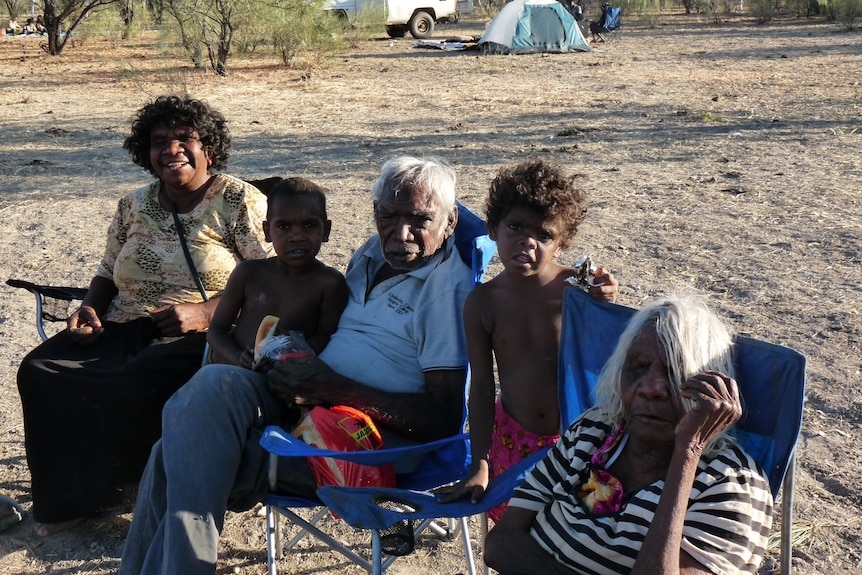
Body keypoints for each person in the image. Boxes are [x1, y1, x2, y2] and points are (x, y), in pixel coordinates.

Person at [119, 156, 474, 575]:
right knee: (213, 384)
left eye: (419, 219)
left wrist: (330, 387)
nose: (399, 234)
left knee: (174, 453)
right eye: (387, 215)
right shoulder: (373, 254)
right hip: (305, 402)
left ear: (449, 222)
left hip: (359, 446)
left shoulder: (447, 291)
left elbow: (444, 419)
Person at [16, 95, 274, 537]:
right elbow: (105, 271)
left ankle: (143, 493)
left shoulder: (237, 199)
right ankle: (75, 498)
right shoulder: (132, 203)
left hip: (204, 330)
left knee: (142, 376)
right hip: (124, 322)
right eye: (159, 141)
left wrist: (207, 312)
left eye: (185, 139)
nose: (172, 150)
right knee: (40, 369)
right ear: (145, 152)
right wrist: (89, 309)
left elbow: (270, 279)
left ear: (209, 148)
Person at [484, 295, 774, 575]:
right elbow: (500, 544)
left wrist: (688, 450)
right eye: (638, 366)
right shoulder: (595, 429)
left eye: (676, 372)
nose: (651, 387)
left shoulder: (730, 485)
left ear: (712, 387)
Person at [440, 159, 617, 522]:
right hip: (511, 440)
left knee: (574, 529)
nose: (527, 241)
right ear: (493, 228)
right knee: (516, 532)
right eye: (515, 226)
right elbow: (481, 388)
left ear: (562, 242)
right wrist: (480, 462)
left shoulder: (577, 292)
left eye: (545, 235)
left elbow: (608, 361)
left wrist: (606, 304)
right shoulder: (483, 303)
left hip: (577, 442)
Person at [206, 176, 348, 367]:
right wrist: (238, 359)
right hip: (232, 369)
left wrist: (291, 356)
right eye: (284, 226)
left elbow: (326, 337)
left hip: (286, 377)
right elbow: (216, 331)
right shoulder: (248, 273)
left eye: (309, 225)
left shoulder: (329, 283)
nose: (296, 236)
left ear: (326, 231)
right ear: (267, 231)